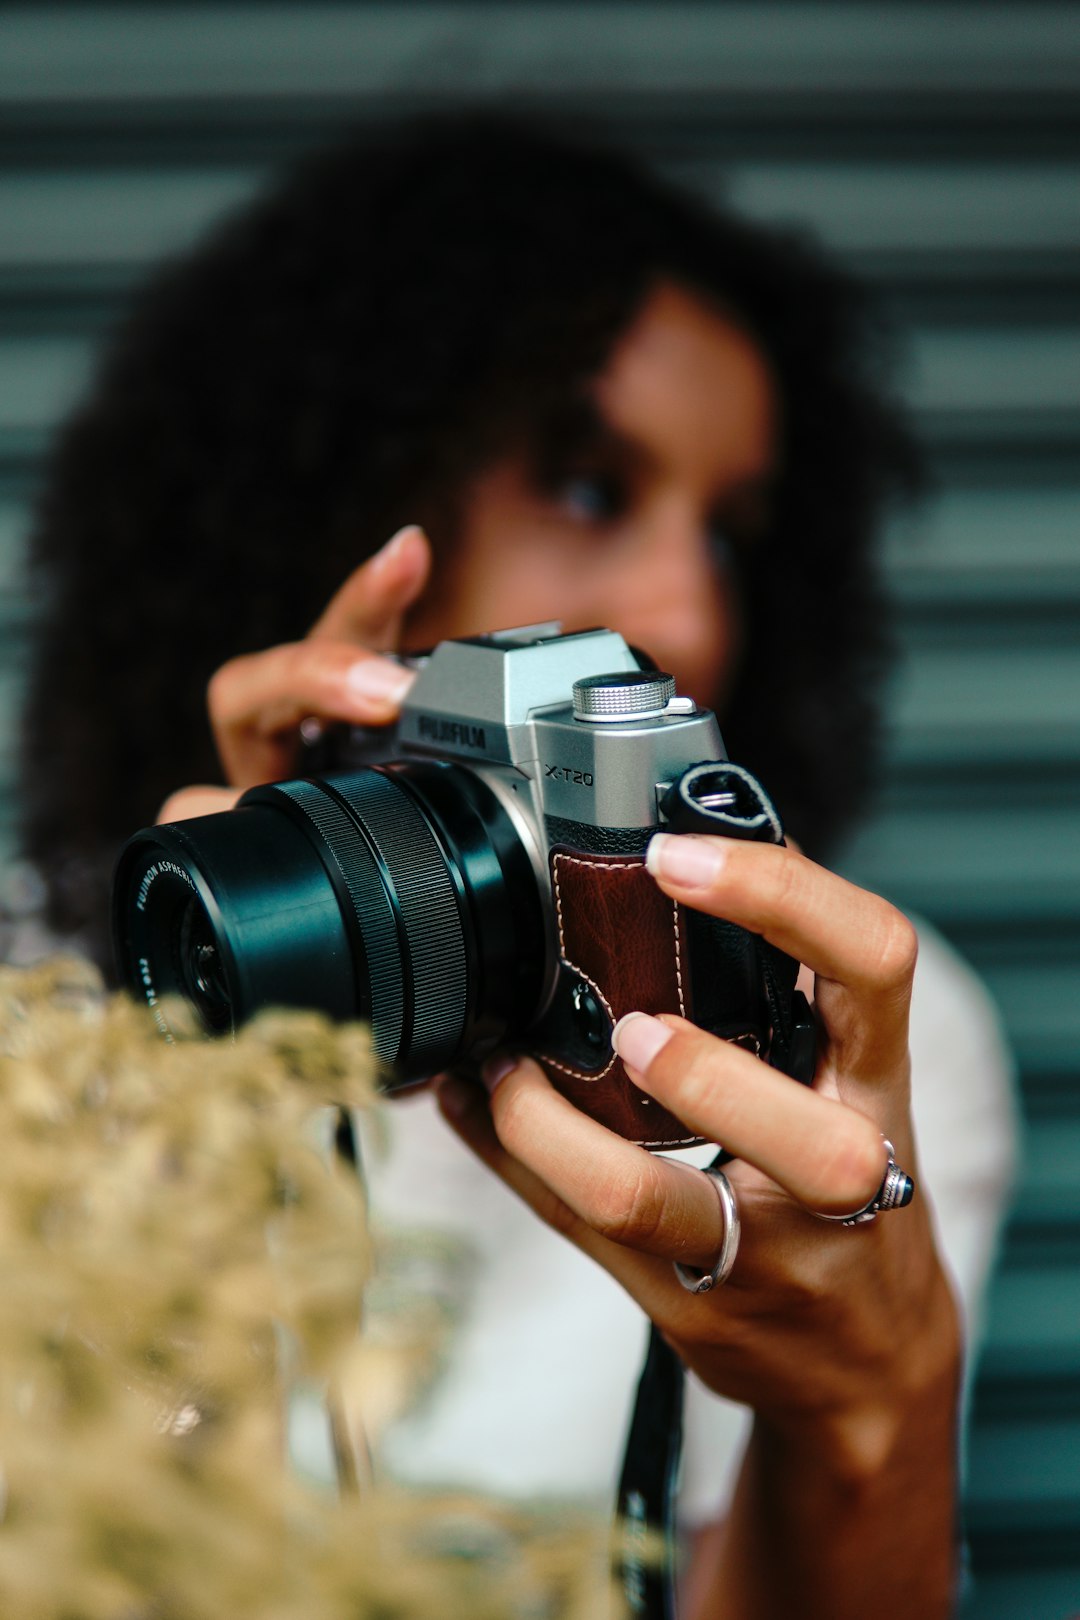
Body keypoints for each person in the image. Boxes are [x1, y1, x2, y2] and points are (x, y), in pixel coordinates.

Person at [14, 111, 1016, 1616]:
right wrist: (201, 1133)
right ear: (340, 485)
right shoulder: (50, 1006)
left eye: (730, 536)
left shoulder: (851, 1043)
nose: (685, 609)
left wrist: (871, 1401)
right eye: (590, 488)